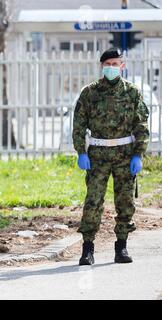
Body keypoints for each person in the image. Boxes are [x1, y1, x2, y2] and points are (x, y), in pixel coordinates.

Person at [72, 48, 149, 265]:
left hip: (125, 154)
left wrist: (138, 155)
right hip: (98, 155)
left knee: (125, 201)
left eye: (116, 64)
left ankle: (121, 247)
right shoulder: (90, 93)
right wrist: (81, 152)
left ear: (122, 66)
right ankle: (87, 249)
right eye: (108, 64)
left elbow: (141, 125)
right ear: (102, 66)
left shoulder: (132, 92)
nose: (112, 68)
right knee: (93, 200)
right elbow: (79, 125)